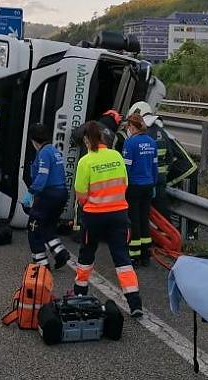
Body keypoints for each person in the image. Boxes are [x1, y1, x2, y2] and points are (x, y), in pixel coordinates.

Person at [73, 121, 143, 317]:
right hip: (119, 216)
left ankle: (79, 294)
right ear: (103, 138)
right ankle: (135, 303)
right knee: (122, 258)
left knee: (87, 255)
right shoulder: (117, 156)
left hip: (94, 217)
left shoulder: (85, 162)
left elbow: (81, 196)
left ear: (87, 140)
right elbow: (125, 185)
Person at [23, 123, 71, 269]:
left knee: (33, 228)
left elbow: (43, 176)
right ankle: (60, 253)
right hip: (61, 194)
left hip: (49, 195)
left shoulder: (44, 153)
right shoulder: (53, 150)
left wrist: (31, 192)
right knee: (48, 226)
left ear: (33, 140)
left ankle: (41, 264)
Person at [122, 114, 157, 267]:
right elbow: (155, 167)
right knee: (144, 219)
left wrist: (122, 187)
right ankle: (145, 254)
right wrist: (153, 183)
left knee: (134, 220)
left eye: (128, 126)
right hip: (148, 185)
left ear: (132, 126)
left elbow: (126, 168)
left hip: (134, 186)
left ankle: (134, 255)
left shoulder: (130, 143)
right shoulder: (151, 142)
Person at [128, 102, 172, 218]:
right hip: (160, 179)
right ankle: (167, 234)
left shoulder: (142, 135)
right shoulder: (161, 131)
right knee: (162, 214)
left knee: (141, 216)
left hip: (145, 180)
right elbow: (170, 157)